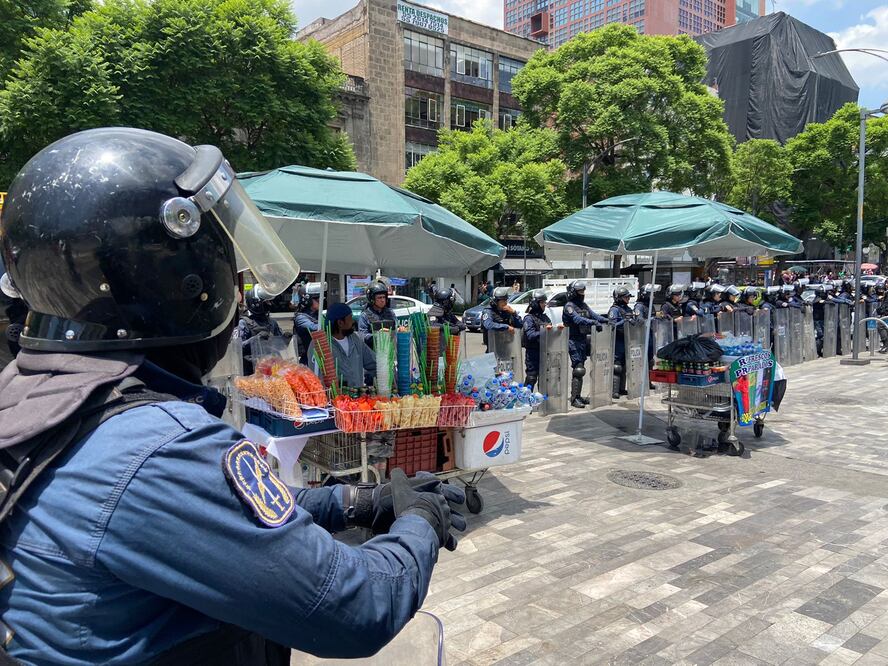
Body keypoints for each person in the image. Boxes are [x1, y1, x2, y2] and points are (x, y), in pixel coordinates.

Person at [0, 127, 465, 663]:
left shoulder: (38, 394)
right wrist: (420, 520)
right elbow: (357, 606)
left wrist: (357, 500)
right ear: (180, 280)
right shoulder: (152, 446)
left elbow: (212, 513)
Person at [561, 280, 607, 409]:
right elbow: (577, 319)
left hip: (582, 340)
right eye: (580, 292)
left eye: (583, 291)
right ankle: (574, 398)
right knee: (578, 369)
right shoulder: (569, 306)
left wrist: (607, 320)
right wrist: (593, 323)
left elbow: (595, 315)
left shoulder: (583, 305)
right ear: (573, 292)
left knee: (582, 369)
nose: (582, 294)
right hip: (573, 340)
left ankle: (579, 396)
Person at [309, 303, 377, 388]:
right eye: (350, 318)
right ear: (340, 323)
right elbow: (316, 378)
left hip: (358, 398)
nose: (353, 322)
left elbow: (373, 363)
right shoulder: (319, 344)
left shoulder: (355, 339)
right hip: (335, 399)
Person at [238, 286, 284, 375]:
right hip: (252, 372)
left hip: (271, 370)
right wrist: (255, 339)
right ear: (255, 303)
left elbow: (280, 347)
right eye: (266, 302)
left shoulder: (272, 322)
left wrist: (285, 339)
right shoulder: (243, 323)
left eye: (270, 301)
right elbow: (237, 348)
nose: (270, 304)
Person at [522, 289, 556, 391]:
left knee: (545, 378)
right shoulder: (529, 318)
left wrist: (557, 330)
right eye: (542, 302)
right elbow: (530, 335)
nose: (544, 305)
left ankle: (543, 402)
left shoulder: (545, 318)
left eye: (544, 302)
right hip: (533, 352)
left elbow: (551, 333)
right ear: (535, 303)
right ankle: (525, 401)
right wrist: (545, 331)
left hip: (545, 351)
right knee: (531, 377)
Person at [608, 286, 636, 400]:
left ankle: (621, 388)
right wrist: (624, 321)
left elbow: (633, 320)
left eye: (628, 297)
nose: (628, 299)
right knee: (617, 366)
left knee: (624, 366)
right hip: (617, 340)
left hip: (627, 340)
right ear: (619, 298)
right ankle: (614, 391)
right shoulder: (614, 310)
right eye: (625, 297)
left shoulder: (628, 309)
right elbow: (611, 325)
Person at [481, 286, 522, 353]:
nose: (505, 303)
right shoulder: (488, 312)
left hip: (507, 349)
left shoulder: (507, 311)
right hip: (493, 349)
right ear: (495, 301)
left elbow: (520, 325)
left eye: (506, 300)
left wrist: (514, 313)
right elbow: (489, 325)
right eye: (503, 301)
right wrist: (506, 327)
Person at [357, 280, 396, 349]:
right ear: (372, 299)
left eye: (384, 297)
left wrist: (401, 330)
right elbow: (362, 335)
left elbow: (396, 329)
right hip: (372, 352)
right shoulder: (365, 315)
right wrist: (378, 336)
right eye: (379, 298)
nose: (382, 300)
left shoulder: (390, 313)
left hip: (389, 351)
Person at [293, 282, 324, 365]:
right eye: (317, 299)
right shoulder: (300, 317)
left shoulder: (318, 315)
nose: (320, 301)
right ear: (308, 300)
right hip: (307, 360)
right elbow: (314, 328)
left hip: (319, 357)